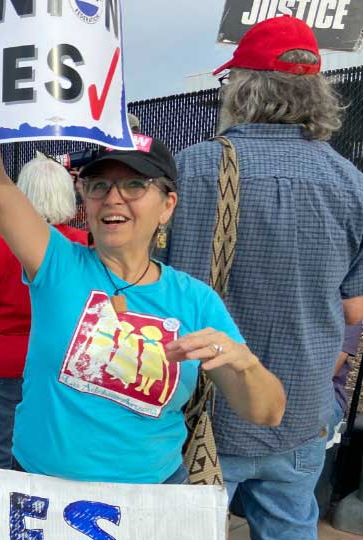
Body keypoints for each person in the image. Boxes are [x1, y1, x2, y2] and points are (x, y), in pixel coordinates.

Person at [0, 1, 286, 485]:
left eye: (135, 185)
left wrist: (244, 363)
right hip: (41, 496)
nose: (113, 197)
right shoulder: (57, 263)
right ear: (84, 200)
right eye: (98, 185)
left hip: (148, 505)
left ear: (167, 204)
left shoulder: (194, 300)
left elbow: (267, 412)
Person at [162, 16, 363, 539]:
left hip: (201, 418)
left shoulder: (188, 171)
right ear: (317, 91)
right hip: (298, 417)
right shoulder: (353, 185)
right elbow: (355, 312)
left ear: (242, 89)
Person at [0, 153, 87, 470]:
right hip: (67, 362)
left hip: (5, 365)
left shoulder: (0, 246)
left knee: (5, 454)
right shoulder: (85, 246)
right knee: (66, 455)